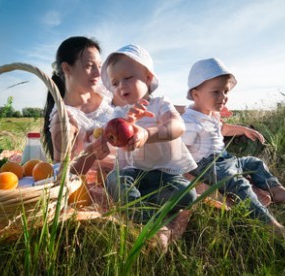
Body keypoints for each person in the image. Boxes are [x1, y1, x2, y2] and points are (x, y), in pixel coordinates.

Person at [181, 57, 285, 239]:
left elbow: (222, 129)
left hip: (225, 159)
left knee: (255, 163)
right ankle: (272, 226)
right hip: (207, 166)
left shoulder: (212, 113)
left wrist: (243, 130)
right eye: (216, 92)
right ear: (196, 95)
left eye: (225, 91)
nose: (223, 97)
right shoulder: (190, 121)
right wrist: (188, 176)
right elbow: (181, 149)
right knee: (240, 184)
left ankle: (276, 190)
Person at [101, 44, 197, 250]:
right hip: (134, 174)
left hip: (164, 175)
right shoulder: (119, 115)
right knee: (113, 180)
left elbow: (177, 126)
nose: (121, 86)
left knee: (188, 194)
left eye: (127, 78)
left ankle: (139, 208)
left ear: (148, 77)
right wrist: (128, 123)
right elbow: (118, 144)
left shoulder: (160, 104)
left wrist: (147, 133)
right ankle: (154, 224)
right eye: (115, 82)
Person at [43, 36, 115, 178]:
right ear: (67, 69)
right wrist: (90, 155)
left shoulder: (106, 90)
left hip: (140, 168)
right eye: (89, 66)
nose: (98, 73)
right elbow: (61, 175)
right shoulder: (64, 117)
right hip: (108, 183)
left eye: (99, 66)